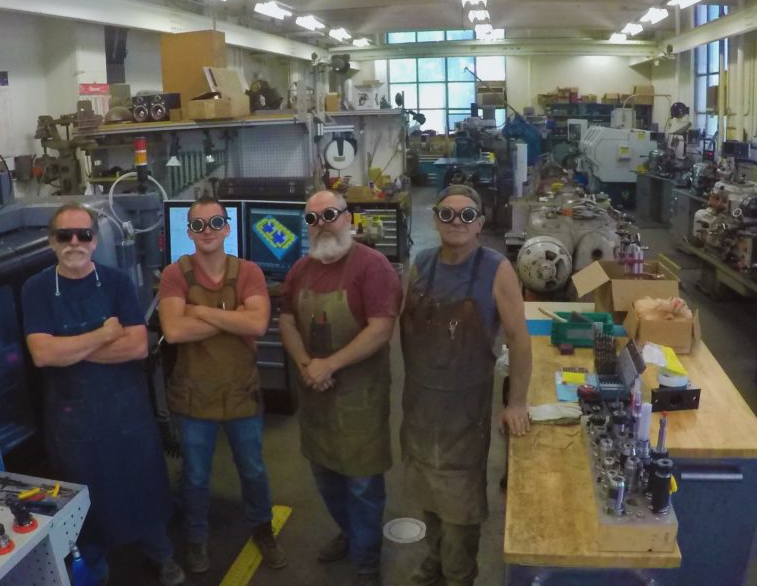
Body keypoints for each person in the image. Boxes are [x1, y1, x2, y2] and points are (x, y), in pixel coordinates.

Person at [22, 203, 185, 586]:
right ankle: (94, 565)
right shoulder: (37, 289)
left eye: (84, 235)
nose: (75, 242)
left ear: (95, 241)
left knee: (144, 481)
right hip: (72, 419)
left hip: (127, 410)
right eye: (65, 235)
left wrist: (71, 349)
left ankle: (161, 554)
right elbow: (43, 354)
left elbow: (136, 348)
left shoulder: (115, 283)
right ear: (51, 242)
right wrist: (102, 335)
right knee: (83, 494)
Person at [400, 185, 532, 586]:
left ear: (480, 224)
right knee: (426, 489)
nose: (456, 222)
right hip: (420, 404)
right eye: (447, 214)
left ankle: (459, 575)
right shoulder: (421, 264)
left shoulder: (495, 269)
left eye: (466, 215)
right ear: (435, 219)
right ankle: (435, 560)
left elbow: (519, 339)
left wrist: (518, 402)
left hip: (464, 410)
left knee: (460, 502)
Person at [278, 190, 402, 586]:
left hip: (358, 399)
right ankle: (350, 535)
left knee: (363, 486)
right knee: (326, 476)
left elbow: (381, 329)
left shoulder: (373, 266)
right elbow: (287, 322)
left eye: (329, 214)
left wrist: (328, 364)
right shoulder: (300, 269)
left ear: (349, 218)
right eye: (312, 219)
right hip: (315, 397)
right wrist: (305, 364)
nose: (321, 225)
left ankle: (367, 561)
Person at [157, 196, 286, 574]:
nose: (207, 231)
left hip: (241, 391)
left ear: (228, 227)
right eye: (199, 225)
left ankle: (263, 529)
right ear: (189, 231)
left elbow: (258, 325)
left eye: (215, 223)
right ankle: (196, 539)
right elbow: (174, 330)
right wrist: (233, 316)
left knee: (253, 470)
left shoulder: (248, 271)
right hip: (193, 395)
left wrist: (199, 310)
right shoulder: (174, 274)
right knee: (196, 475)